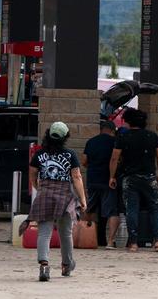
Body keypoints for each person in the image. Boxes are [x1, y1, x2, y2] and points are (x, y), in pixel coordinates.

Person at [25, 121, 87, 281]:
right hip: (65, 196)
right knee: (65, 233)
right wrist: (82, 199)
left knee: (44, 233)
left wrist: (39, 187)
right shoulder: (70, 154)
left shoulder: (39, 155)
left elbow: (32, 174)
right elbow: (77, 177)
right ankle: (66, 264)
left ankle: (44, 265)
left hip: (45, 195)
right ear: (65, 137)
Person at [108, 107, 158, 252]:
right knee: (154, 208)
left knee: (131, 209)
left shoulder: (123, 137)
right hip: (149, 177)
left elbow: (114, 158)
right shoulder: (153, 136)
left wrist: (112, 176)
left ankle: (133, 243)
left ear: (128, 121)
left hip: (130, 178)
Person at [82, 120, 121, 248]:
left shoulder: (91, 142)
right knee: (112, 211)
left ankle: (86, 238)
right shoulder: (115, 142)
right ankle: (110, 241)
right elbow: (118, 160)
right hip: (109, 181)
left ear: (101, 129)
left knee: (90, 208)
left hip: (93, 180)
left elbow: (84, 161)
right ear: (112, 130)